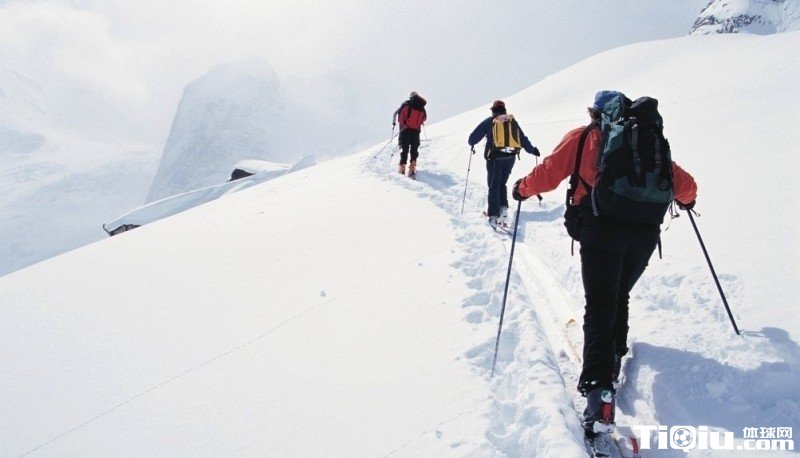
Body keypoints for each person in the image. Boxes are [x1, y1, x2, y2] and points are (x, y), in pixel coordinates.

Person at [511, 90, 698, 439]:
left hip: (600, 228)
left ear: (594, 111)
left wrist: (522, 188)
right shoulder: (645, 142)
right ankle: (613, 356)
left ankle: (600, 397)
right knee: (618, 293)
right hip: (643, 234)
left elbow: (550, 173)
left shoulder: (584, 136)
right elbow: (684, 185)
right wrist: (688, 201)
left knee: (600, 305)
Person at [468, 100, 539, 226]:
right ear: (504, 110)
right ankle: (503, 210)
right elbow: (522, 139)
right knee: (502, 183)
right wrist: (532, 150)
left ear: (493, 110)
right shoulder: (512, 122)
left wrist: (472, 143)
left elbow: (473, 138)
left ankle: (493, 216)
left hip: (495, 158)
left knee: (493, 185)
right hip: (510, 157)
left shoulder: (490, 121)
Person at [392, 91, 427, 177]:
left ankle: (402, 167)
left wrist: (404, 124)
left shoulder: (406, 105)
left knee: (405, 149)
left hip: (406, 130)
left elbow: (399, 117)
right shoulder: (421, 107)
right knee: (414, 149)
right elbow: (424, 118)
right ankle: (412, 168)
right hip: (416, 131)